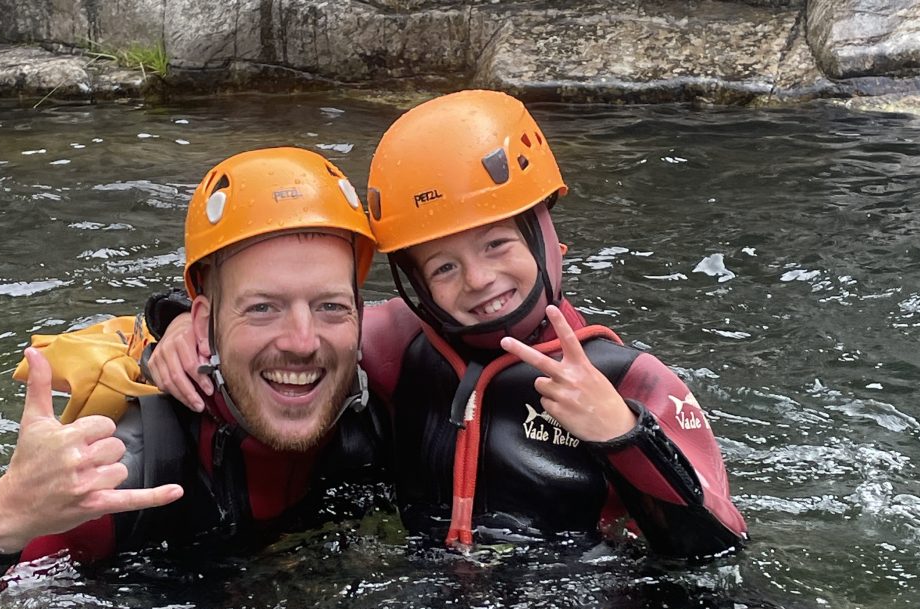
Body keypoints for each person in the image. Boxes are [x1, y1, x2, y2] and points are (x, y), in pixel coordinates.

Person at [147, 91, 747, 558]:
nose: (479, 280)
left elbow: (719, 546)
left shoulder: (629, 380)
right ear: (416, 283)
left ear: (550, 241)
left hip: (581, 601)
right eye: (444, 266)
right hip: (436, 606)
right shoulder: (397, 344)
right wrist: (176, 324)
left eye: (496, 244)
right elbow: (290, 334)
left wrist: (622, 433)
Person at [0, 147, 387, 609]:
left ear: (361, 314)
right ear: (206, 321)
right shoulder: (130, 471)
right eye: (262, 307)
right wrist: (5, 513)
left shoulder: (383, 403)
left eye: (330, 306)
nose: (303, 340)